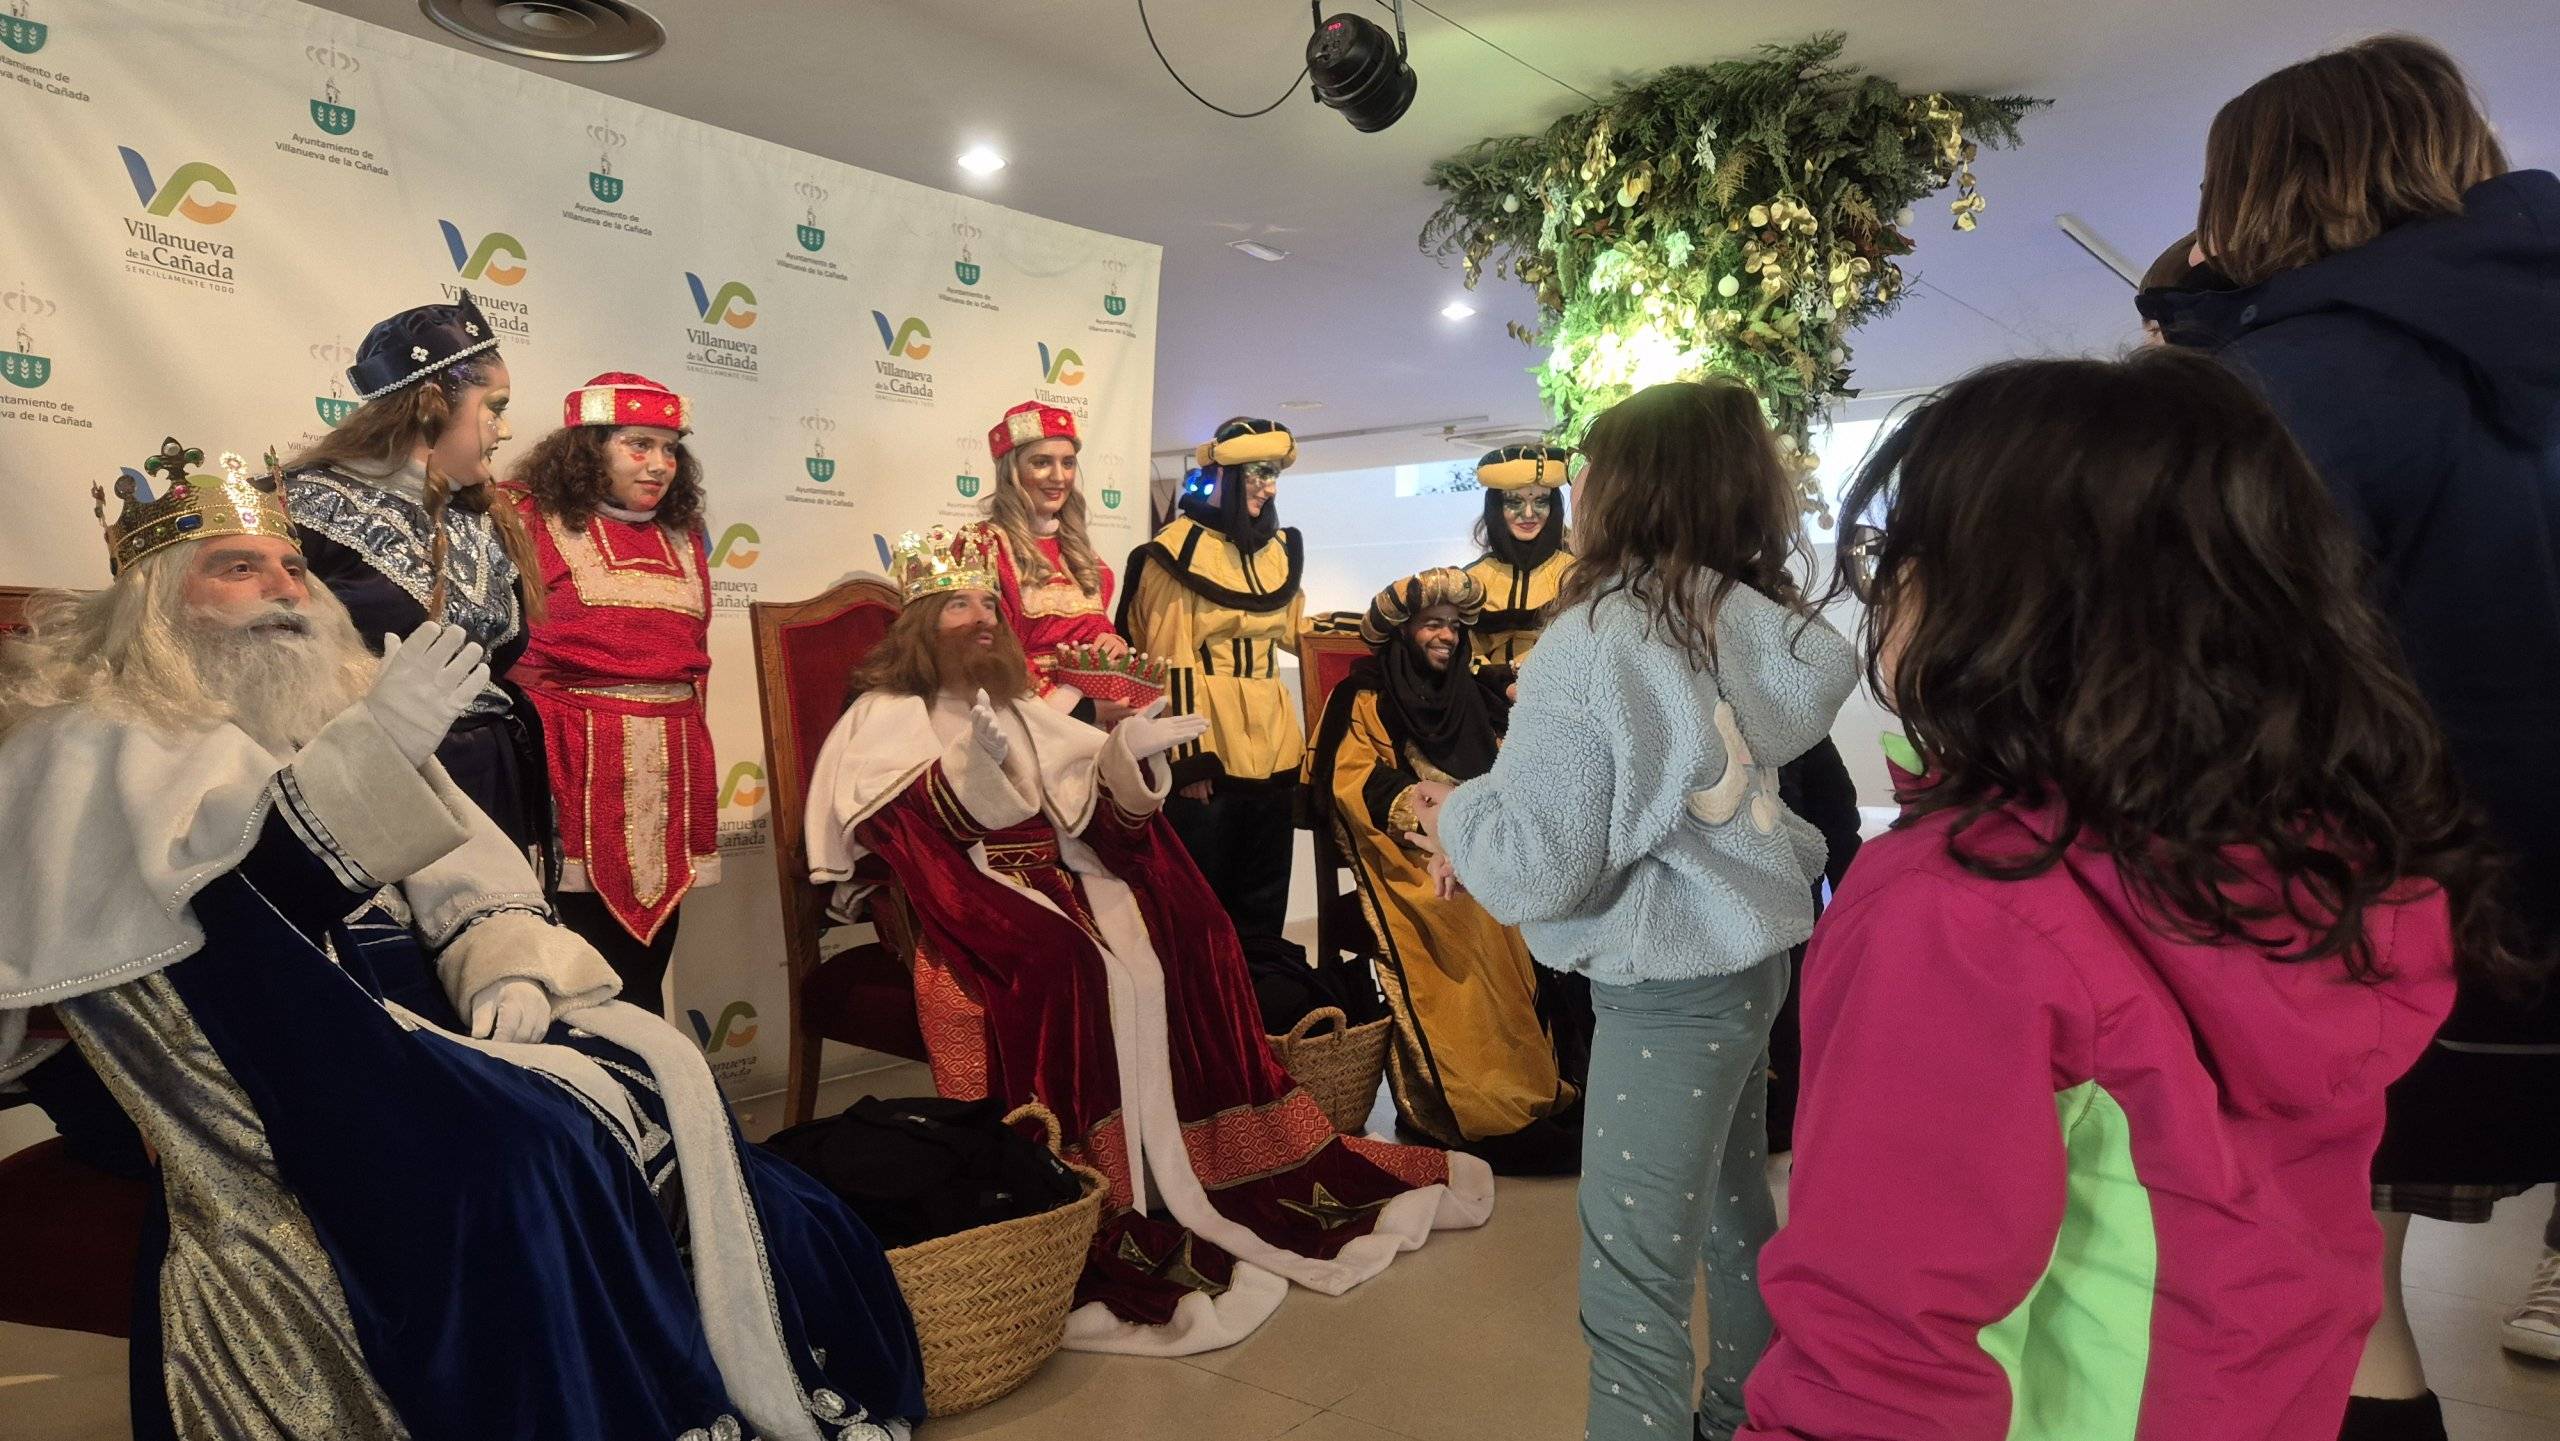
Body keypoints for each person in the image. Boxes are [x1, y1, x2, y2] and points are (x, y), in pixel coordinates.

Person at [0, 440, 924, 1441]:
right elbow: (242, 917)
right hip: (258, 1066)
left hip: (419, 1023)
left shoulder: (329, 702)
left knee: (655, 1092)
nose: (283, 589)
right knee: (529, 1159)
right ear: (159, 599)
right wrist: (375, 754)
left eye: (294, 567)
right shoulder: (97, 737)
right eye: (239, 567)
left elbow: (471, 881)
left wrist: (506, 965)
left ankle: (723, 1377)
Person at [1736, 351, 2506, 1441]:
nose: (1882, 585)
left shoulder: (1961, 907)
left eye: (1895, 553)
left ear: (1999, 596)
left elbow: (1883, 1331)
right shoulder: (2325, 863)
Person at [2139, 34, 2560, 1420]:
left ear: (2257, 187)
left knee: (2344, 1293)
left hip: (2414, 896)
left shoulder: (2301, 382)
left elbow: (2219, 664)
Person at [808, 526, 1491, 1357]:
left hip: (1064, 881)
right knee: (1070, 966)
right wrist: (961, 773)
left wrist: (1125, 757)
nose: (984, 617)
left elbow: (1093, 815)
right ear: (919, 623)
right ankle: (1096, 1179)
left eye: (991, 600)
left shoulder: (1023, 706)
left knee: (1193, 933)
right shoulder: (884, 717)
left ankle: (1192, 1158)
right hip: (971, 901)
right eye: (960, 603)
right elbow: (902, 837)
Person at [1411, 381, 1855, 1441]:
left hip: (1663, 984)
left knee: (1630, 1272)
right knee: (1732, 1210)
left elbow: (1538, 867)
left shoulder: (1599, 636)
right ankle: (1739, 1415)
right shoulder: (1751, 628)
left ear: (1617, 492)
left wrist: (1459, 810)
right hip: (1746, 961)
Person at [1304, 567, 1580, 1174]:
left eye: (1455, 627)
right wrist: (1431, 819)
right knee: (1465, 913)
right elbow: (1351, 782)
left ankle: (1536, 1087)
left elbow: (1506, 764)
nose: (1447, 637)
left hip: (1482, 844)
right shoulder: (1364, 697)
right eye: (1433, 624)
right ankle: (1468, 1108)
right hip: (1404, 853)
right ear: (1402, 631)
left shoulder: (1469, 693)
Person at [283, 292, 550, 859]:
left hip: (489, 778)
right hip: (375, 781)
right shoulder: (305, 508)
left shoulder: (484, 515)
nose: (504, 432)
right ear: (431, 406)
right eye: (495, 407)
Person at [506, 372, 717, 1017]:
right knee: (574, 963)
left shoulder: (685, 533)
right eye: (638, 445)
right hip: (569, 764)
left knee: (647, 970)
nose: (659, 465)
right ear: (589, 447)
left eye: (670, 448)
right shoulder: (524, 517)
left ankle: (655, 1100)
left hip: (669, 770)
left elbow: (693, 662)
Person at [1118, 417, 1304, 942]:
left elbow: (1297, 633)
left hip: (1276, 743)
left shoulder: (1280, 550)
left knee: (1265, 901)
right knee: (1205, 908)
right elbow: (1166, 660)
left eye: (1273, 475)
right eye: (1257, 473)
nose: (1267, 487)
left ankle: (1264, 1013)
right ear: (1225, 474)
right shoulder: (1174, 552)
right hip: (1209, 751)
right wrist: (1187, 759)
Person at [981, 399, 1135, 725]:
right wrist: (1075, 709)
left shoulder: (1076, 547)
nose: (1059, 477)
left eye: (1068, 463)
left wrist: (1109, 641)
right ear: (1011, 471)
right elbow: (992, 648)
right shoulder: (986, 544)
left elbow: (1094, 626)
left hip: (1092, 710)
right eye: (1041, 463)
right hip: (1022, 714)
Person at [1461, 443, 1576, 689]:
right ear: (1495, 508)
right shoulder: (1473, 579)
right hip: (1486, 701)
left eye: (1541, 501)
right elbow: (1464, 651)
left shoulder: (1576, 575)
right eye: (1514, 501)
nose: (1528, 513)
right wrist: (1495, 679)